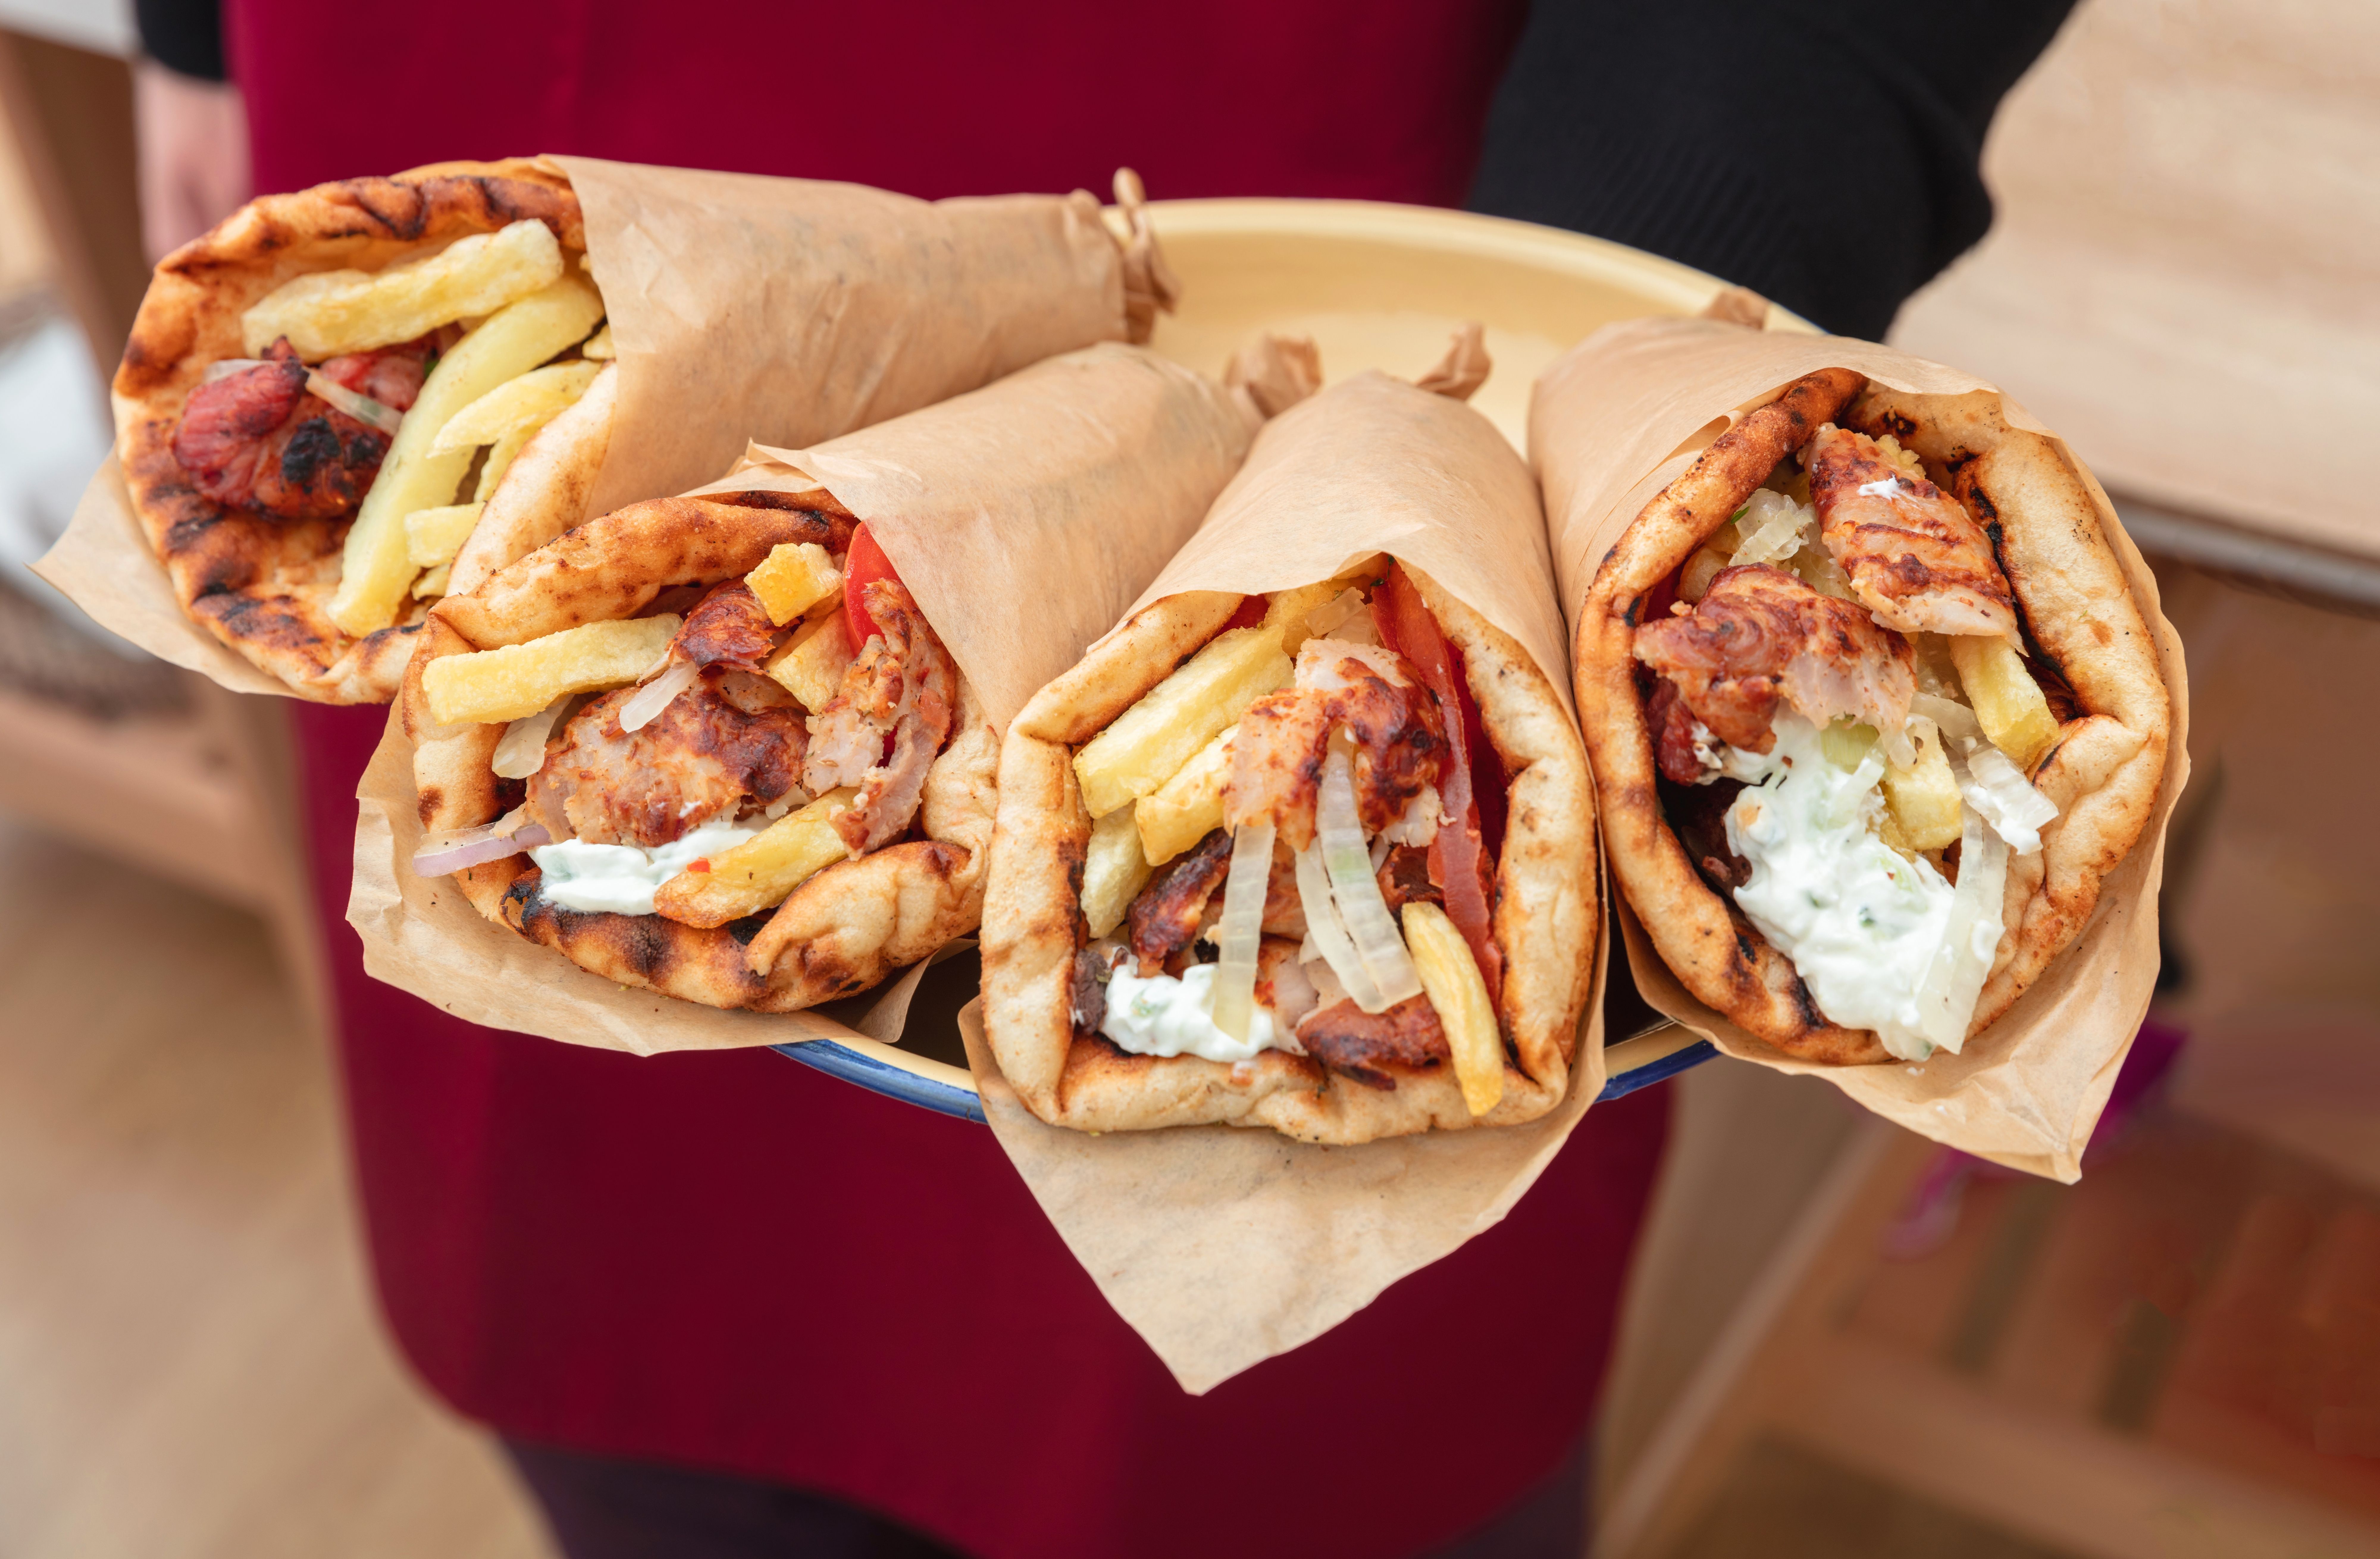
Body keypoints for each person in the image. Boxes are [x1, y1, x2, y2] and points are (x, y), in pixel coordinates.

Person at [131, 2, 2075, 1553]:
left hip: (1356, 198)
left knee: (1292, 1451)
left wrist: (1636, 310)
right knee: (621, 1337)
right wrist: (195, 32)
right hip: (470, 117)